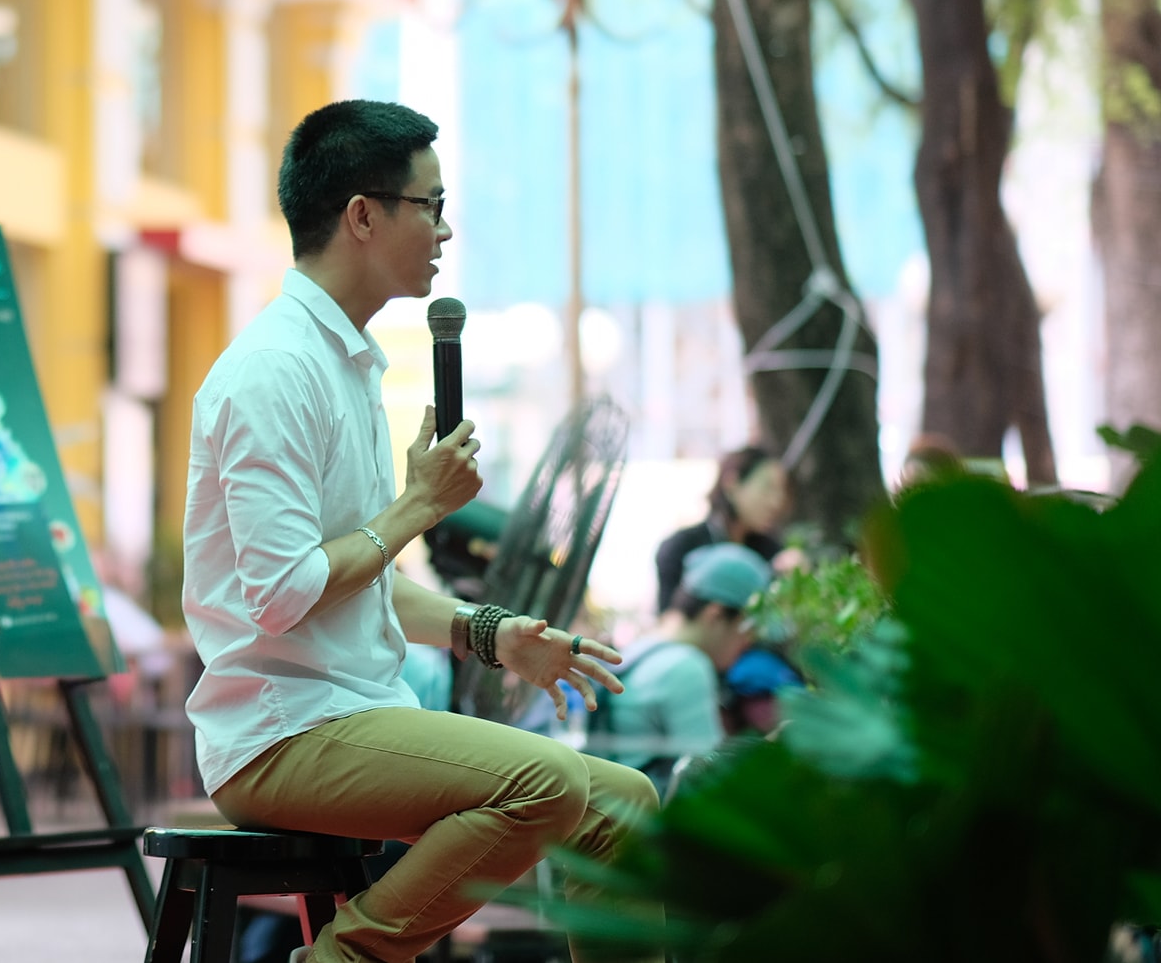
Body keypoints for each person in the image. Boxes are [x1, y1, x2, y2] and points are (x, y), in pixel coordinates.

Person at [182, 100, 659, 963]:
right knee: (543, 780)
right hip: (280, 730)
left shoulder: (349, 362)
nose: (444, 229)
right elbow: (284, 592)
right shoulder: (272, 371)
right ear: (364, 215)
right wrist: (415, 508)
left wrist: (493, 633)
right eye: (430, 205)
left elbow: (361, 574)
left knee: (622, 804)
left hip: (356, 713)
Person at [599, 543, 773, 798]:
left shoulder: (642, 648)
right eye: (747, 628)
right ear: (715, 615)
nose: (749, 641)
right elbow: (710, 783)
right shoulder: (687, 667)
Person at [653, 446, 793, 614]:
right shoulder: (680, 547)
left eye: (780, 491)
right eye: (767, 488)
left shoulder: (773, 554)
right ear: (732, 483)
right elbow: (670, 620)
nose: (776, 502)